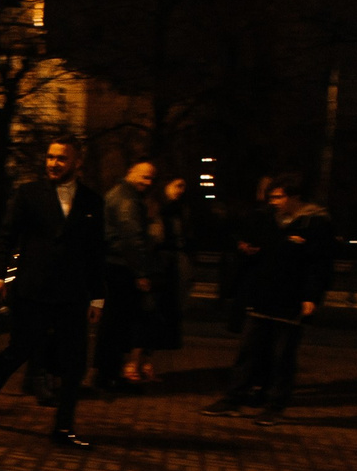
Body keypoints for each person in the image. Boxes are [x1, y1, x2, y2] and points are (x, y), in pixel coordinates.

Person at [0, 138, 106, 448]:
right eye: (50, 157)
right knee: (19, 351)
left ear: (77, 163)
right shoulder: (29, 194)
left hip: (73, 294)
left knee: (74, 363)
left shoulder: (92, 202)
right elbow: (6, 237)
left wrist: (98, 297)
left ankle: (63, 428)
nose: (53, 163)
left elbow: (96, 253)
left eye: (61, 158)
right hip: (33, 290)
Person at [205, 173, 334, 425]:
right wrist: (248, 251)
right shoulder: (268, 219)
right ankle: (233, 399)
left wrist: (311, 296)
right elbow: (257, 249)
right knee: (248, 350)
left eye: (278, 197)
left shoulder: (314, 223)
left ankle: (275, 405)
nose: (272, 202)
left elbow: (320, 264)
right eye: (271, 197)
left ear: (293, 197)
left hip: (291, 299)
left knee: (282, 355)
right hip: (263, 295)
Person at [96, 159, 158, 393]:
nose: (147, 182)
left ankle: (107, 371)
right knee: (116, 323)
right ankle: (108, 374)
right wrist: (141, 272)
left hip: (115, 264)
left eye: (151, 178)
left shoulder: (120, 194)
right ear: (131, 172)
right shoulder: (127, 199)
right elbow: (131, 237)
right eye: (144, 176)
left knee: (113, 322)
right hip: (121, 267)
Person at [134, 173, 191, 382]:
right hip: (159, 266)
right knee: (149, 314)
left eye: (183, 186)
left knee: (162, 316)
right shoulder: (158, 208)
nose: (180, 191)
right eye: (177, 185)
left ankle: (147, 362)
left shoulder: (179, 210)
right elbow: (152, 238)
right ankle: (136, 363)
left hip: (171, 267)